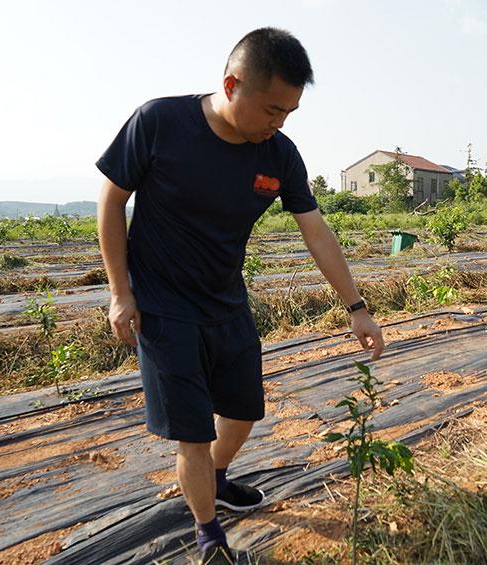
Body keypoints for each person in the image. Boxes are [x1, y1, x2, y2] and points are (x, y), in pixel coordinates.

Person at [96, 27, 385, 564]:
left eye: (290, 112)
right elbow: (111, 201)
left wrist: (357, 308)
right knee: (193, 433)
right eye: (273, 108)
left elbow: (316, 230)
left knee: (244, 410)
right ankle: (209, 537)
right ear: (232, 85)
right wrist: (121, 292)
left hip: (225, 300)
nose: (279, 122)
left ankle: (219, 478)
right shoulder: (159, 122)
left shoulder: (277, 154)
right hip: (162, 306)